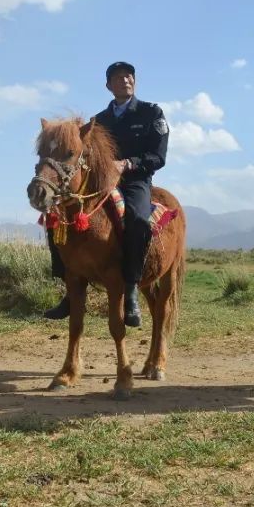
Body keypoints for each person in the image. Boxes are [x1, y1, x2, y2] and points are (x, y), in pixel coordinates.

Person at [44, 61, 169, 328]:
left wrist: (128, 164)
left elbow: (158, 156)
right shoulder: (98, 121)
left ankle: (132, 289)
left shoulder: (151, 113)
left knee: (137, 220)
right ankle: (68, 289)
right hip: (101, 182)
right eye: (117, 77)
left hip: (135, 181)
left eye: (128, 76)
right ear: (108, 85)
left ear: (134, 81)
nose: (124, 80)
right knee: (57, 219)